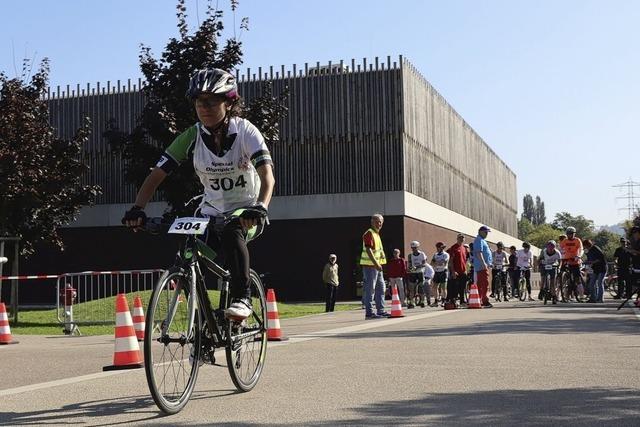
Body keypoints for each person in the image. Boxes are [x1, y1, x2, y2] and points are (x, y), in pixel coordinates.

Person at [122, 68, 274, 321]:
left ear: (229, 102)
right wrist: (138, 208)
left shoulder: (246, 132)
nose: (203, 107)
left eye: (211, 101)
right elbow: (157, 174)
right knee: (188, 254)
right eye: (198, 101)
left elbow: (267, 176)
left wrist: (260, 207)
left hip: (245, 210)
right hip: (210, 210)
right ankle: (203, 326)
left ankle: (242, 297)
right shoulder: (192, 136)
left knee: (232, 231)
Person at [360, 214, 389, 319]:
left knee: (381, 288)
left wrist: (379, 264)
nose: (379, 224)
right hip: (370, 266)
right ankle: (369, 312)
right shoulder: (369, 233)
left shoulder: (377, 234)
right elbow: (368, 250)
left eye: (381, 221)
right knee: (370, 289)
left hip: (377, 266)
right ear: (372, 222)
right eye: (377, 221)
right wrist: (376, 264)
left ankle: (380, 310)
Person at [559, 226, 584, 302]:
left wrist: (578, 256)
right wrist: (560, 255)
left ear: (574, 234)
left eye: (571, 234)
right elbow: (560, 248)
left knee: (577, 279)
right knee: (562, 275)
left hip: (575, 261)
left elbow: (581, 249)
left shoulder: (577, 240)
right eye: (568, 233)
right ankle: (564, 294)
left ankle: (581, 295)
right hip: (566, 260)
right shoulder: (565, 241)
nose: (570, 235)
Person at [473, 226, 493, 308]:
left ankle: (480, 299)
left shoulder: (482, 240)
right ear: (480, 232)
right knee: (484, 283)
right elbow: (479, 252)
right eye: (485, 232)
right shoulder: (479, 240)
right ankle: (484, 301)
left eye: (487, 232)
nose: (486, 234)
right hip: (481, 266)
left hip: (484, 266)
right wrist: (483, 263)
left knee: (482, 283)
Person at [447, 234, 468, 307]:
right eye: (460, 238)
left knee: (462, 287)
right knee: (455, 288)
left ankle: (462, 301)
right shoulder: (453, 248)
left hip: (463, 271)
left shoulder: (464, 248)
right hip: (456, 272)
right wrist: (453, 271)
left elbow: (465, 260)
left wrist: (465, 270)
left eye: (463, 238)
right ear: (457, 238)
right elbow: (451, 261)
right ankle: (454, 301)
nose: (462, 239)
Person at [407, 241, 428, 308]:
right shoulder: (410, 255)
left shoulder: (422, 254)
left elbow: (424, 264)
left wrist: (417, 267)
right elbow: (410, 264)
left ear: (417, 247)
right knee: (412, 288)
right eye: (412, 248)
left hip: (420, 272)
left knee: (421, 287)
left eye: (415, 248)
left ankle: (422, 301)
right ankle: (412, 302)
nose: (414, 249)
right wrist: (410, 268)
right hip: (413, 273)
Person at [625, 226, 640, 304]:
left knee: (637, 283)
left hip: (639, 265)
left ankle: (638, 299)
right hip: (635, 265)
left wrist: (631, 250)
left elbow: (638, 252)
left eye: (634, 233)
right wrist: (631, 251)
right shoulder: (636, 242)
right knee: (635, 283)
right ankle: (638, 299)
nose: (634, 235)